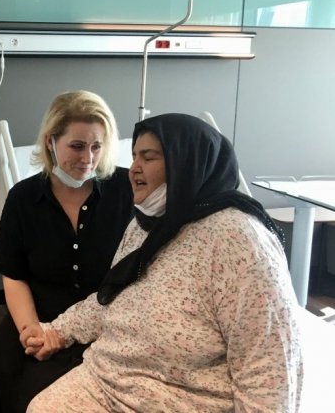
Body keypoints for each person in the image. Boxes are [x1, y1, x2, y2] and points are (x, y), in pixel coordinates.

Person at [23, 113, 304, 412]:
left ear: (186, 164)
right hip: (108, 378)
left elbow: (268, 369)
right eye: (134, 156)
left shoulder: (239, 242)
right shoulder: (146, 224)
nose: (134, 168)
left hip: (179, 398)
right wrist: (57, 331)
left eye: (149, 157)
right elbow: (112, 299)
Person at [0, 90, 134, 412]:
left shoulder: (126, 190)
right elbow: (14, 274)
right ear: (51, 142)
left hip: (104, 317)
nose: (88, 158)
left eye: (97, 147)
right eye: (77, 146)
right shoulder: (23, 198)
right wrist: (31, 330)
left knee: (40, 393)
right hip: (39, 312)